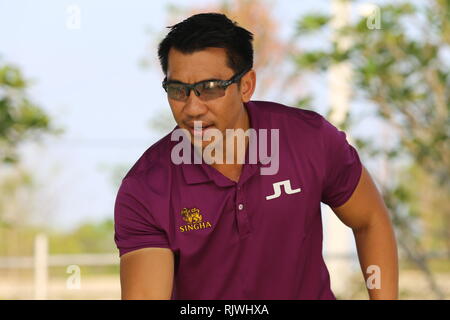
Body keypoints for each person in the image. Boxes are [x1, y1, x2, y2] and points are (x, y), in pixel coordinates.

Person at [114, 12, 398, 300]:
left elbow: (370, 220)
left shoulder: (310, 139)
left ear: (246, 86)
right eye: (178, 90)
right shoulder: (145, 188)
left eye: (210, 89)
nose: (192, 108)